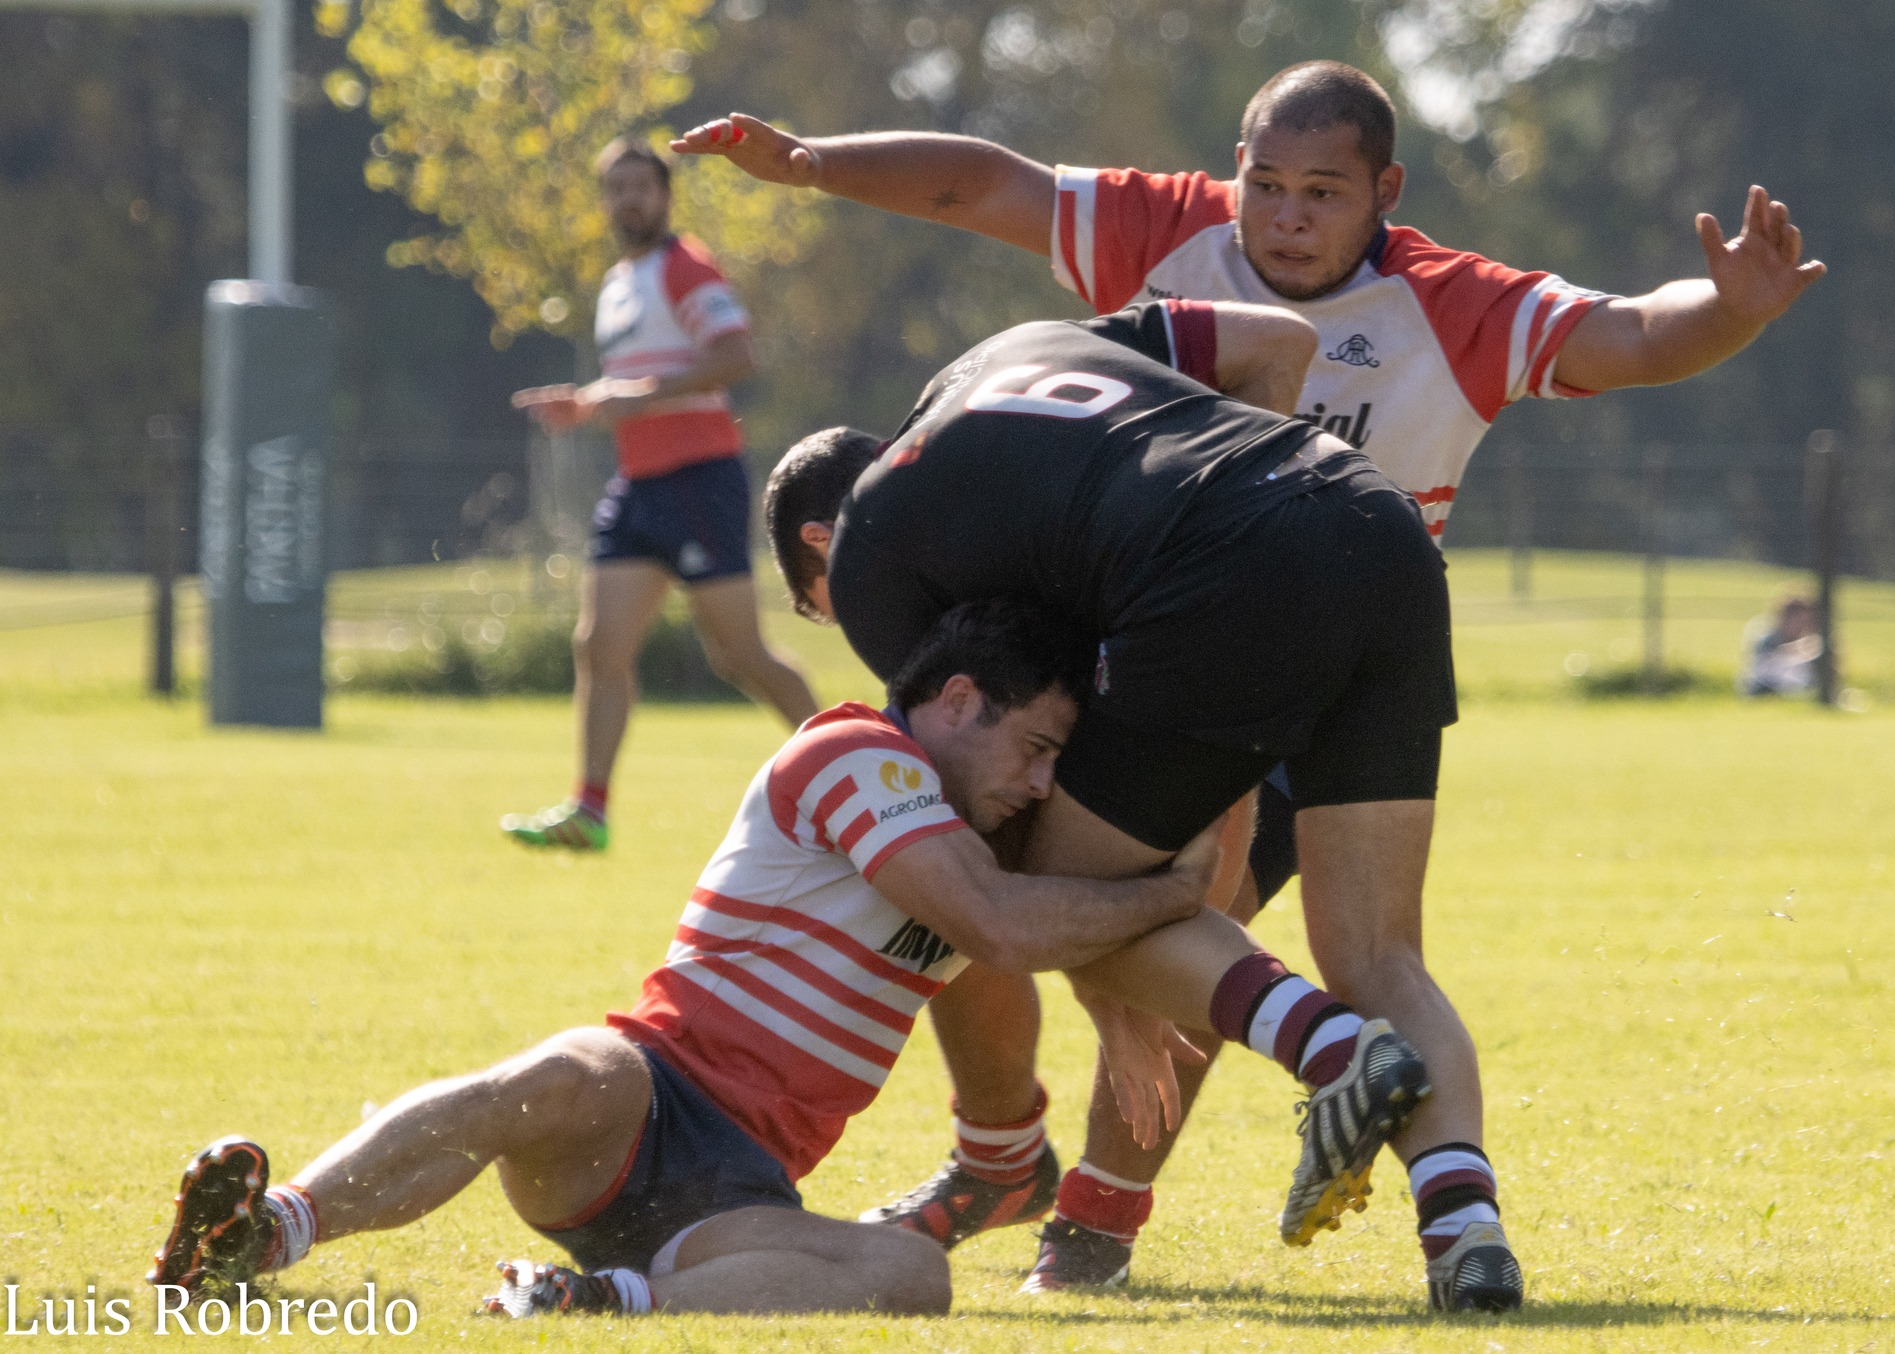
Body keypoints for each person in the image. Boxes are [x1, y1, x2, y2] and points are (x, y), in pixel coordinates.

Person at [681, 59, 1826, 1304]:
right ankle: (1462, 1231)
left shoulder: (1445, 301)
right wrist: (812, 166)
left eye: (1320, 193)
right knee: (1359, 952)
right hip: (1368, 566)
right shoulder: (1143, 262)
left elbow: (1630, 333)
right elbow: (985, 187)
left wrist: (1729, 314)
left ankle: (1109, 1169)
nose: (1283, 217)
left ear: (1384, 192)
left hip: (1235, 605)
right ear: (1232, 172)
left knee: (1075, 897)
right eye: (1264, 186)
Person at [147, 599, 1430, 1318]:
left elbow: (1054, 935)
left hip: (737, 1195)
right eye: (1034, 747)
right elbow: (1002, 926)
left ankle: (605, 1303)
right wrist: (1168, 893)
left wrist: (1119, 995)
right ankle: (264, 1234)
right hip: (646, 1093)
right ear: (957, 701)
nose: (1041, 781)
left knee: (912, 1273)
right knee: (549, 1076)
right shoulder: (852, 753)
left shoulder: (986, 836)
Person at [764, 297, 1525, 1309]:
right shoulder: (1015, 344)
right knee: (1380, 956)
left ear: (821, 547)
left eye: (818, 608)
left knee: (1034, 895)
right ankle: (1466, 1230)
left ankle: (1336, 1051)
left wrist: (1110, 984)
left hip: (1231, 562)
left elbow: (1000, 798)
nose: (844, 626)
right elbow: (1276, 343)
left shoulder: (872, 549)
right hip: (1372, 520)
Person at [500, 138, 817, 852]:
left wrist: (640, 396)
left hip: (700, 479)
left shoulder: (685, 266)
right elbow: (636, 383)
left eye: (640, 186)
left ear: (666, 196)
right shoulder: (618, 283)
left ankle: (854, 773)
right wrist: (585, 404)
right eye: (616, 188)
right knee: (598, 644)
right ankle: (589, 811)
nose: (629, 200)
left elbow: (735, 355)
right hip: (638, 484)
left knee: (741, 655)